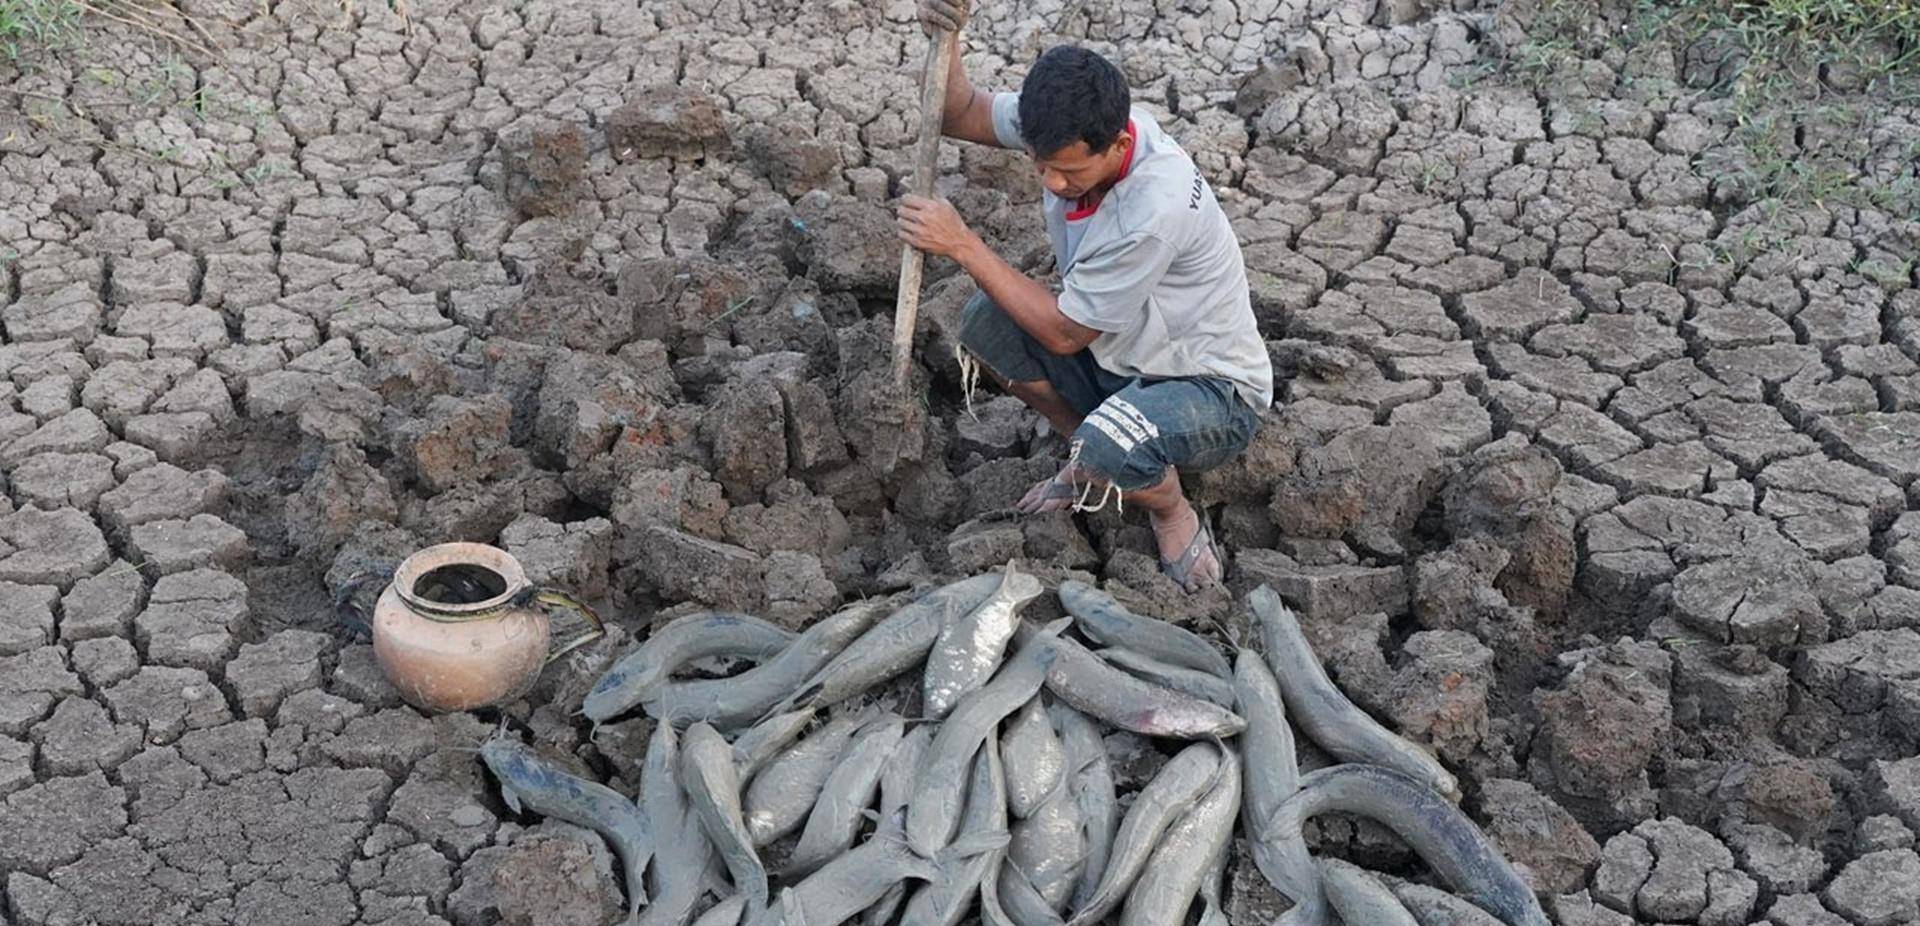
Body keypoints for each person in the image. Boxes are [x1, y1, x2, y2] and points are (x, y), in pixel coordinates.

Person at [895, 0, 1273, 592]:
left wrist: (964, 245)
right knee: (986, 322)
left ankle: (1169, 507)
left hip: (1209, 389)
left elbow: (1067, 334)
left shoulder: (1151, 209)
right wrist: (950, 39)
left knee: (1109, 443)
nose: (1052, 184)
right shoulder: (1064, 122)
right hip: (1123, 360)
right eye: (1041, 166)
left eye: (1069, 173)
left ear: (1119, 146)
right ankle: (1090, 456)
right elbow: (959, 112)